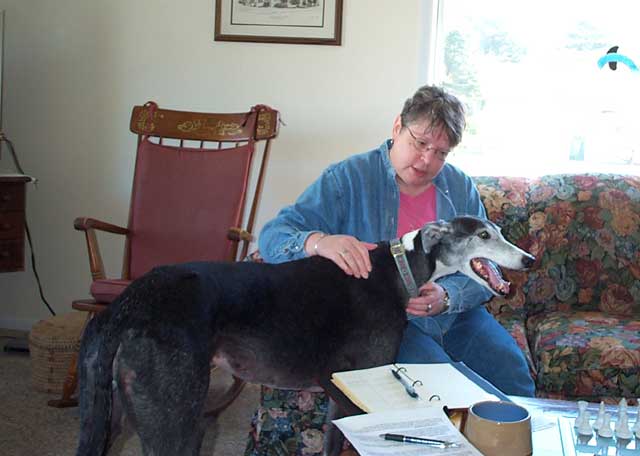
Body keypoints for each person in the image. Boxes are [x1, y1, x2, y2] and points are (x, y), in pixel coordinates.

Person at [258, 85, 535, 397]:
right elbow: (273, 237)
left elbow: (486, 267)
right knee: (440, 386)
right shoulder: (348, 178)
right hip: (384, 321)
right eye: (420, 143)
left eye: (441, 153)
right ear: (397, 127)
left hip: (456, 317)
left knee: (513, 373)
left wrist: (447, 296)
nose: (426, 160)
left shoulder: (459, 186)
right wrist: (319, 242)